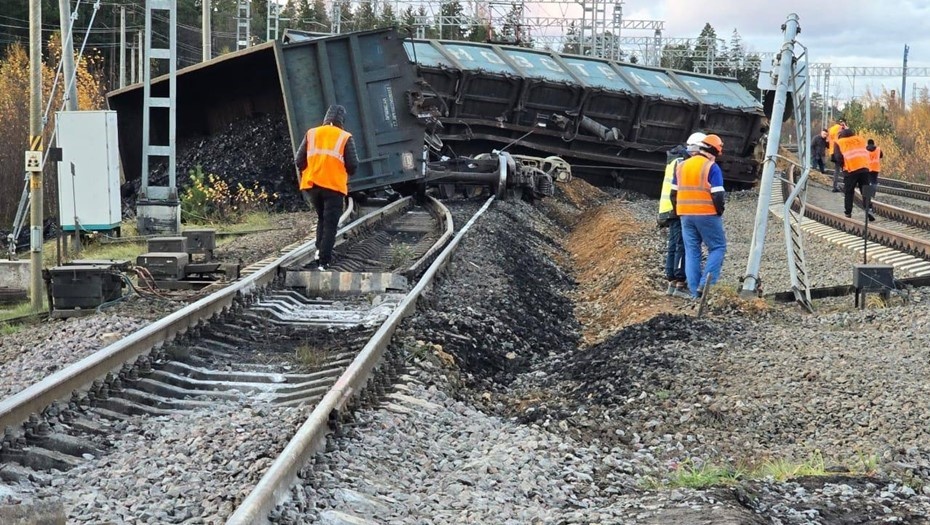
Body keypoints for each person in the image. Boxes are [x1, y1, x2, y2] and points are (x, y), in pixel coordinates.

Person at [294, 104, 360, 270]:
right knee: (331, 224)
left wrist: (311, 170)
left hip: (312, 186)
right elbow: (353, 164)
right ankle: (324, 261)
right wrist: (342, 172)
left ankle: (319, 250)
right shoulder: (344, 137)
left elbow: (298, 160)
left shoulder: (312, 133)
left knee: (322, 218)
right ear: (341, 120)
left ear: (326, 117)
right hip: (333, 187)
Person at [670, 134, 727, 299]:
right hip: (707, 213)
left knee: (692, 251)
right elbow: (718, 195)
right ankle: (705, 285)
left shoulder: (681, 166)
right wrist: (719, 211)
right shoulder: (711, 167)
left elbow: (673, 193)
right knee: (717, 247)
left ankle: (695, 293)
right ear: (712, 151)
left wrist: (680, 211)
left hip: (685, 215)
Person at [658, 132, 706, 299]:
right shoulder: (684, 163)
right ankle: (679, 283)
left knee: (673, 244)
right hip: (679, 208)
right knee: (682, 246)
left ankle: (671, 282)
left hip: (669, 209)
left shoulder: (675, 160)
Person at [833, 127, 874, 222]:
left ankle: (848, 213)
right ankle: (870, 209)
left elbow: (838, 157)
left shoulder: (839, 142)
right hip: (864, 167)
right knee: (866, 189)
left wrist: (843, 165)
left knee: (849, 192)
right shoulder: (860, 139)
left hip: (850, 169)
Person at [827, 119, 848, 192]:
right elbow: (849, 133)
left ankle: (834, 186)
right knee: (845, 169)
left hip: (833, 151)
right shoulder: (841, 128)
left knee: (837, 170)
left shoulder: (831, 129)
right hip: (840, 151)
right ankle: (846, 187)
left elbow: (828, 140)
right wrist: (845, 127)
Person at [866, 138, 883, 214]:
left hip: (868, 168)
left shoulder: (865, 149)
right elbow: (881, 155)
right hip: (876, 168)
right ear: (873, 143)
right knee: (874, 181)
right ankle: (873, 192)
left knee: (868, 182)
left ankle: (869, 194)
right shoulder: (878, 149)